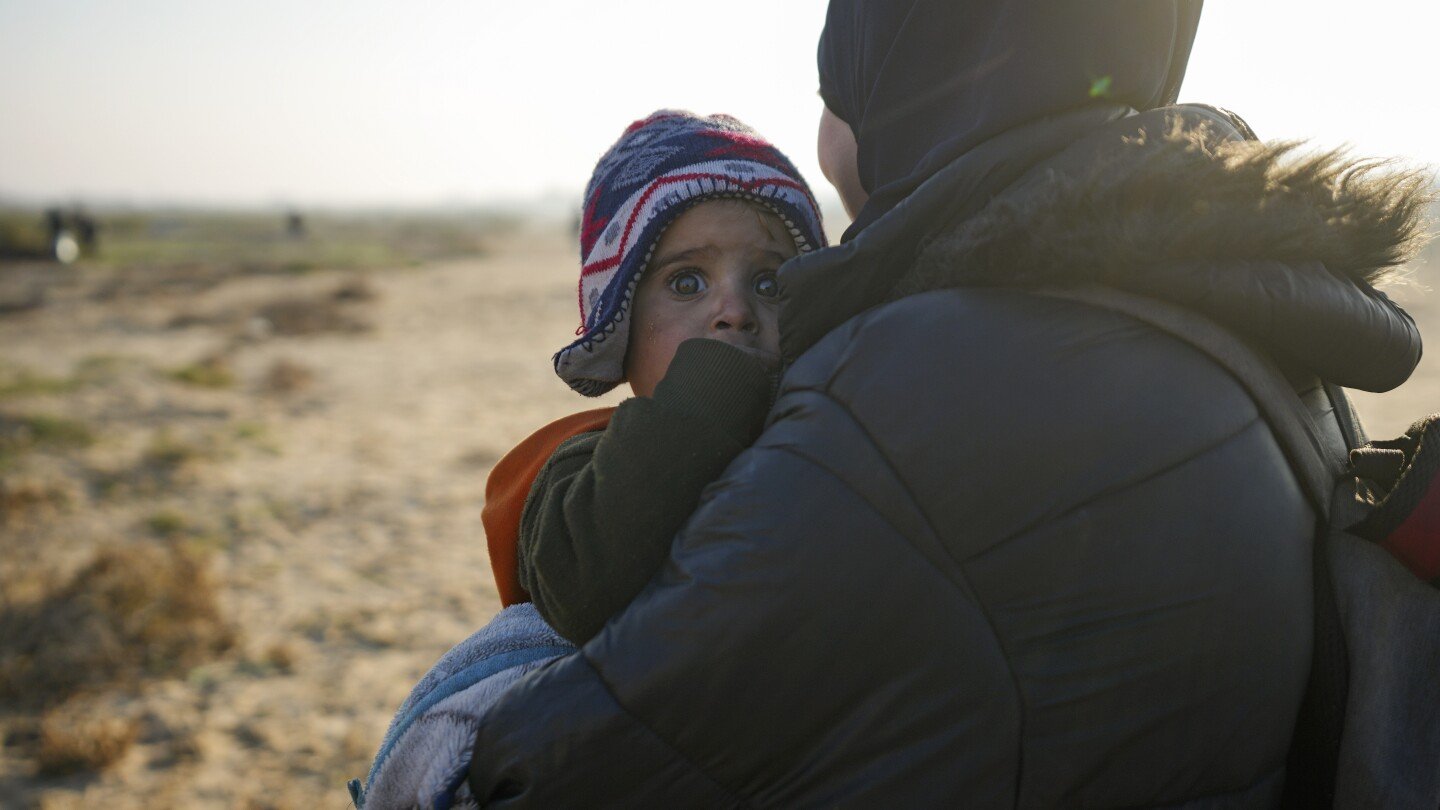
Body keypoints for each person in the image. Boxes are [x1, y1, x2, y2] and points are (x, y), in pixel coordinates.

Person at [463, 0, 1428, 805]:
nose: (829, 140)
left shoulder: (914, 379)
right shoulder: (1237, 305)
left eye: (838, 95)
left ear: (920, 81)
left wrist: (444, 727)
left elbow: (556, 768)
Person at [348, 111, 826, 808]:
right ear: (621, 328)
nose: (734, 311)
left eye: (770, 284)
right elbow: (586, 588)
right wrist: (709, 395)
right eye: (687, 283)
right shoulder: (577, 464)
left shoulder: (827, 435)